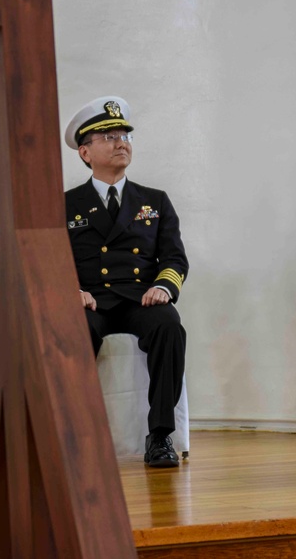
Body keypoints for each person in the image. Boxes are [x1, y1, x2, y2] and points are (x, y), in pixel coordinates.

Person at [63, 96, 188, 468]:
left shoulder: (155, 201)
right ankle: (76, 437)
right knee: (70, 331)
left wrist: (163, 287)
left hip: (139, 300)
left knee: (169, 326)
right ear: (85, 152)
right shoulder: (65, 205)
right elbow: (51, 260)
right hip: (91, 302)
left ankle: (161, 436)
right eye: (109, 137)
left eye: (124, 136)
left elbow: (174, 257)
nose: (121, 143)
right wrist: (68, 290)